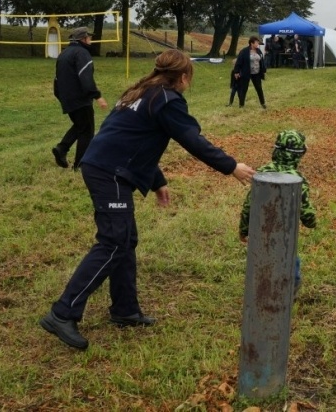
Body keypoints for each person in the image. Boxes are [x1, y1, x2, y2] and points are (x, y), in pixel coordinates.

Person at [39, 49, 256, 350]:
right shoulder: (167, 100)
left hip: (104, 166)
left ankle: (125, 310)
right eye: (188, 78)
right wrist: (231, 166)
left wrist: (157, 181)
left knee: (125, 240)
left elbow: (133, 138)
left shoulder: (142, 92)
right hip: (108, 173)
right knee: (114, 241)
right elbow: (192, 140)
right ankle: (62, 312)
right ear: (182, 77)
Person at [238, 130, 316, 297]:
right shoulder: (297, 179)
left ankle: (261, 289)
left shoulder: (262, 172)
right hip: (285, 234)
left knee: (262, 259)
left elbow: (248, 204)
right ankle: (289, 289)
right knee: (290, 261)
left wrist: (244, 229)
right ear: (300, 155)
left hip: (261, 231)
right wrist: (311, 221)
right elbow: (306, 210)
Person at [52, 27, 108, 170]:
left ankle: (62, 149)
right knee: (87, 130)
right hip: (80, 99)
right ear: (83, 38)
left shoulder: (64, 54)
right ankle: (81, 164)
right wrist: (97, 96)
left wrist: (62, 97)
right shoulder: (82, 53)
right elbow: (85, 77)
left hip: (66, 98)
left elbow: (56, 80)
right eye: (89, 37)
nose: (90, 39)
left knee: (80, 126)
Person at [235, 36, 267, 109]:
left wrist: (263, 70)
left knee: (259, 88)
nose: (258, 44)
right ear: (252, 43)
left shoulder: (258, 50)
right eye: (256, 42)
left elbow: (262, 61)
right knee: (244, 89)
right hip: (247, 72)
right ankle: (241, 104)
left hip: (257, 73)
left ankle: (263, 103)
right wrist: (236, 71)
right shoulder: (244, 51)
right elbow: (239, 61)